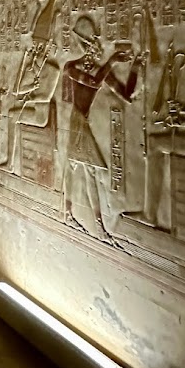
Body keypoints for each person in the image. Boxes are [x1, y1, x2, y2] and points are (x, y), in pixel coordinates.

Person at [62, 15, 143, 239]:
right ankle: (73, 214)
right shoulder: (72, 67)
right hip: (77, 121)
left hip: (83, 122)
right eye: (91, 43)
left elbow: (125, 95)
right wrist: (111, 62)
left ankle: (89, 221)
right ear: (84, 45)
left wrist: (135, 66)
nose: (95, 47)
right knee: (77, 168)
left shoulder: (99, 69)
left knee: (86, 170)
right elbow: (93, 82)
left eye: (95, 43)